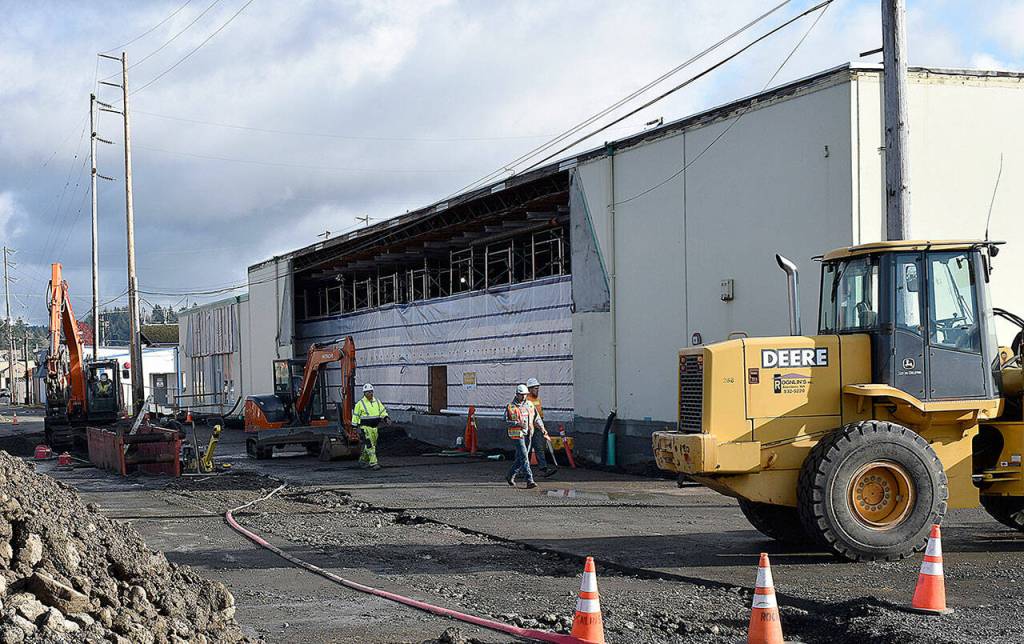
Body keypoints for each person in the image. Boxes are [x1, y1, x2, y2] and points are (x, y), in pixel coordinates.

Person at [505, 384, 539, 489]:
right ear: (517, 395)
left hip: (528, 433)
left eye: (525, 395)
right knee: (524, 456)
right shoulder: (511, 407)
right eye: (522, 395)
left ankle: (510, 475)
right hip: (517, 434)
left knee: (521, 458)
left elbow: (536, 418)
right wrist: (517, 423)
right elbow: (506, 420)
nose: (524, 397)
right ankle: (530, 480)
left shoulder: (529, 404)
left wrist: (542, 429)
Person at [353, 383, 388, 471]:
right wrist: (354, 427)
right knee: (370, 445)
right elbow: (355, 416)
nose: (370, 394)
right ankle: (374, 463)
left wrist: (386, 418)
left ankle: (363, 460)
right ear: (364, 393)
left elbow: (382, 411)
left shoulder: (377, 401)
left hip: (375, 427)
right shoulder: (360, 404)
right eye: (368, 392)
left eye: (371, 392)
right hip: (365, 428)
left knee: (372, 445)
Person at [526, 377, 554, 477]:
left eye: (538, 388)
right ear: (529, 389)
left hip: (537, 428)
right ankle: (523, 469)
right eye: (535, 388)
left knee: (539, 448)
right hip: (528, 429)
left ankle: (544, 468)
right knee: (526, 450)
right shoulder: (526, 400)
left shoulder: (537, 399)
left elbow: (539, 414)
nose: (537, 390)